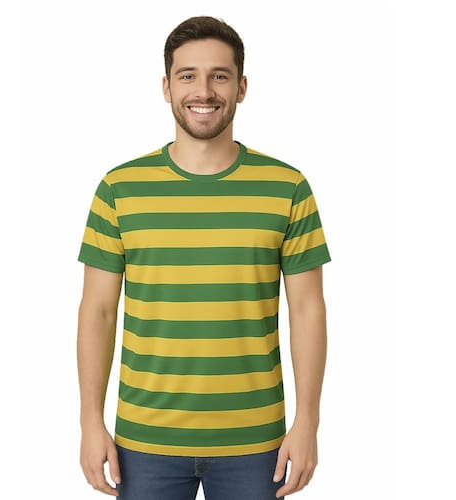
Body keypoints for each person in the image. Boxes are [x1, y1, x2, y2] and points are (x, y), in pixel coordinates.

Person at [77, 15, 332, 500]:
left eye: (220, 75)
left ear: (242, 87)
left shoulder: (288, 188)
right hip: (144, 441)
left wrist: (308, 423)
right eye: (187, 75)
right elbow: (98, 311)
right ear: (166, 87)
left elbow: (307, 309)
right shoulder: (119, 189)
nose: (204, 91)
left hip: (258, 443)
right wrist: (91, 422)